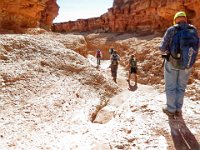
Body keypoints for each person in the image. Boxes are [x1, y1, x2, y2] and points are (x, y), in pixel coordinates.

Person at [159, 11, 199, 117]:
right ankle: (178, 109)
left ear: (175, 19)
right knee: (181, 87)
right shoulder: (193, 29)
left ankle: (171, 109)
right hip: (187, 64)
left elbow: (162, 48)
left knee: (171, 87)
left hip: (172, 62)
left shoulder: (172, 29)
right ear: (185, 19)